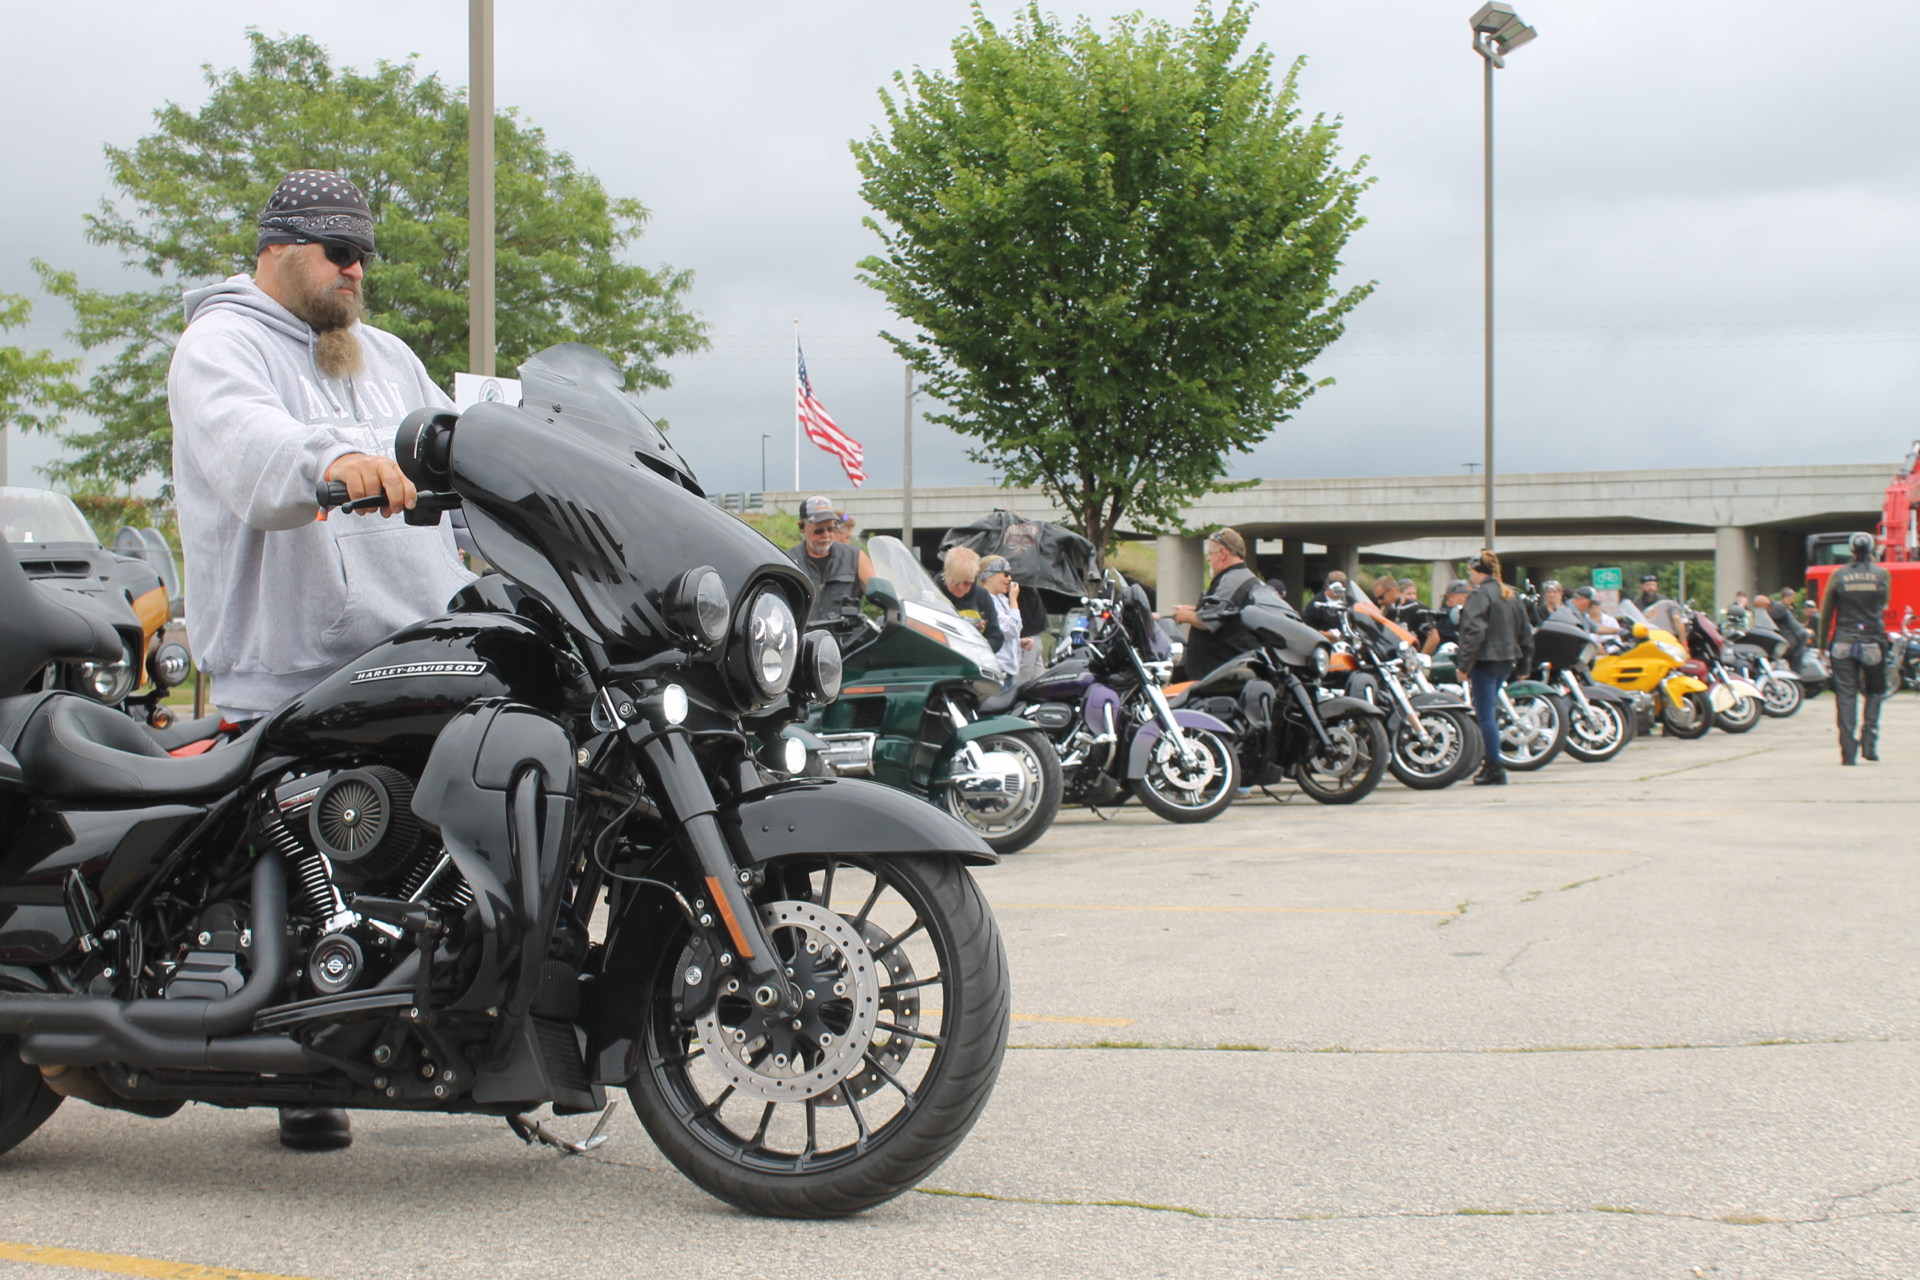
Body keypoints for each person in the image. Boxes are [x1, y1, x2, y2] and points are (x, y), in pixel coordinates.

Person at [169, 169, 479, 1153]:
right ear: (276, 250)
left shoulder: (385, 356)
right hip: (294, 666)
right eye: (335, 252)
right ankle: (308, 1068)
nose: (355, 270)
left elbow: (461, 453)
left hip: (418, 648)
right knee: (316, 882)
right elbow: (254, 448)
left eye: (364, 256)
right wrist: (330, 464)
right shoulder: (219, 346)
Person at [1454, 550, 1533, 787]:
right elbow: (1525, 631)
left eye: (1470, 572)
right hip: (1506, 660)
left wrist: (1463, 665)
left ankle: (1493, 766)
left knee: (1485, 714)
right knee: (1490, 712)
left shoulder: (1480, 594)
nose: (1470, 577)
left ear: (1478, 571)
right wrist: (1524, 663)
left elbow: (1474, 632)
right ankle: (1492, 762)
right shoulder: (1510, 593)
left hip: (1486, 661)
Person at [1817, 531, 1892, 764]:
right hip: (1872, 640)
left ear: (1851, 550)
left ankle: (1848, 752)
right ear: (1871, 549)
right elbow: (1884, 601)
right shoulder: (1882, 574)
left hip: (1843, 641)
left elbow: (1827, 611)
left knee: (1846, 696)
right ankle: (1869, 743)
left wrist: (1822, 644)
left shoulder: (1838, 575)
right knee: (1875, 692)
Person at [1171, 528, 1261, 681]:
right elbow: (1228, 614)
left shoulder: (1231, 581)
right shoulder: (1247, 579)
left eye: (1211, 553)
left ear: (1223, 553)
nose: (1208, 559)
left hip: (1218, 674)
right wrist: (1195, 609)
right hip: (1227, 668)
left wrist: (1185, 616)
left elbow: (1209, 621)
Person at [786, 495, 872, 625]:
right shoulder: (788, 562)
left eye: (831, 529)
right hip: (805, 642)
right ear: (802, 527)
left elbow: (881, 593)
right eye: (818, 530)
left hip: (847, 642)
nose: (826, 535)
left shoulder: (856, 557)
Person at [940, 546, 1003, 653]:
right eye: (955, 581)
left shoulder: (982, 596)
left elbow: (996, 635)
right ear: (946, 573)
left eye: (967, 583)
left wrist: (978, 650)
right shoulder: (931, 593)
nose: (961, 587)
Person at [978, 555, 1025, 682]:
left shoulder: (1002, 599)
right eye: (1005, 574)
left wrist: (1019, 641)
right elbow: (1012, 629)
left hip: (1007, 670)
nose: (1010, 579)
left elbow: (1005, 631)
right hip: (997, 669)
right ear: (990, 576)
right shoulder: (986, 601)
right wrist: (1014, 599)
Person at [1301, 570, 1350, 634]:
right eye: (1337, 588)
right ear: (1328, 585)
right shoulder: (1317, 603)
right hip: (1326, 641)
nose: (1341, 592)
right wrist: (1325, 634)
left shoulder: (1349, 600)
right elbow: (1306, 625)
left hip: (1347, 640)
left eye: (1343, 587)